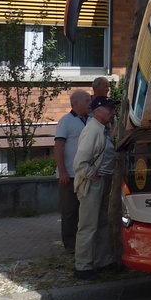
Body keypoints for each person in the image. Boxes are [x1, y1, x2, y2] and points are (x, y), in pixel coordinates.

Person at [72, 96, 119, 280]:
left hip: (100, 180)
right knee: (88, 225)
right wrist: (93, 175)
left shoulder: (100, 129)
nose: (113, 112)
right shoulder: (92, 130)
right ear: (98, 111)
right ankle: (83, 265)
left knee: (100, 223)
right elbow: (79, 163)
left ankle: (102, 261)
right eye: (109, 109)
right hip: (93, 183)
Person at [53, 89, 91, 254]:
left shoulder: (91, 120)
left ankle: (84, 243)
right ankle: (70, 244)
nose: (90, 103)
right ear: (75, 103)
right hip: (69, 174)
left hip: (87, 174)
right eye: (87, 100)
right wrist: (62, 171)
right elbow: (58, 146)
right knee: (69, 211)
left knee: (86, 211)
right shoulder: (66, 121)